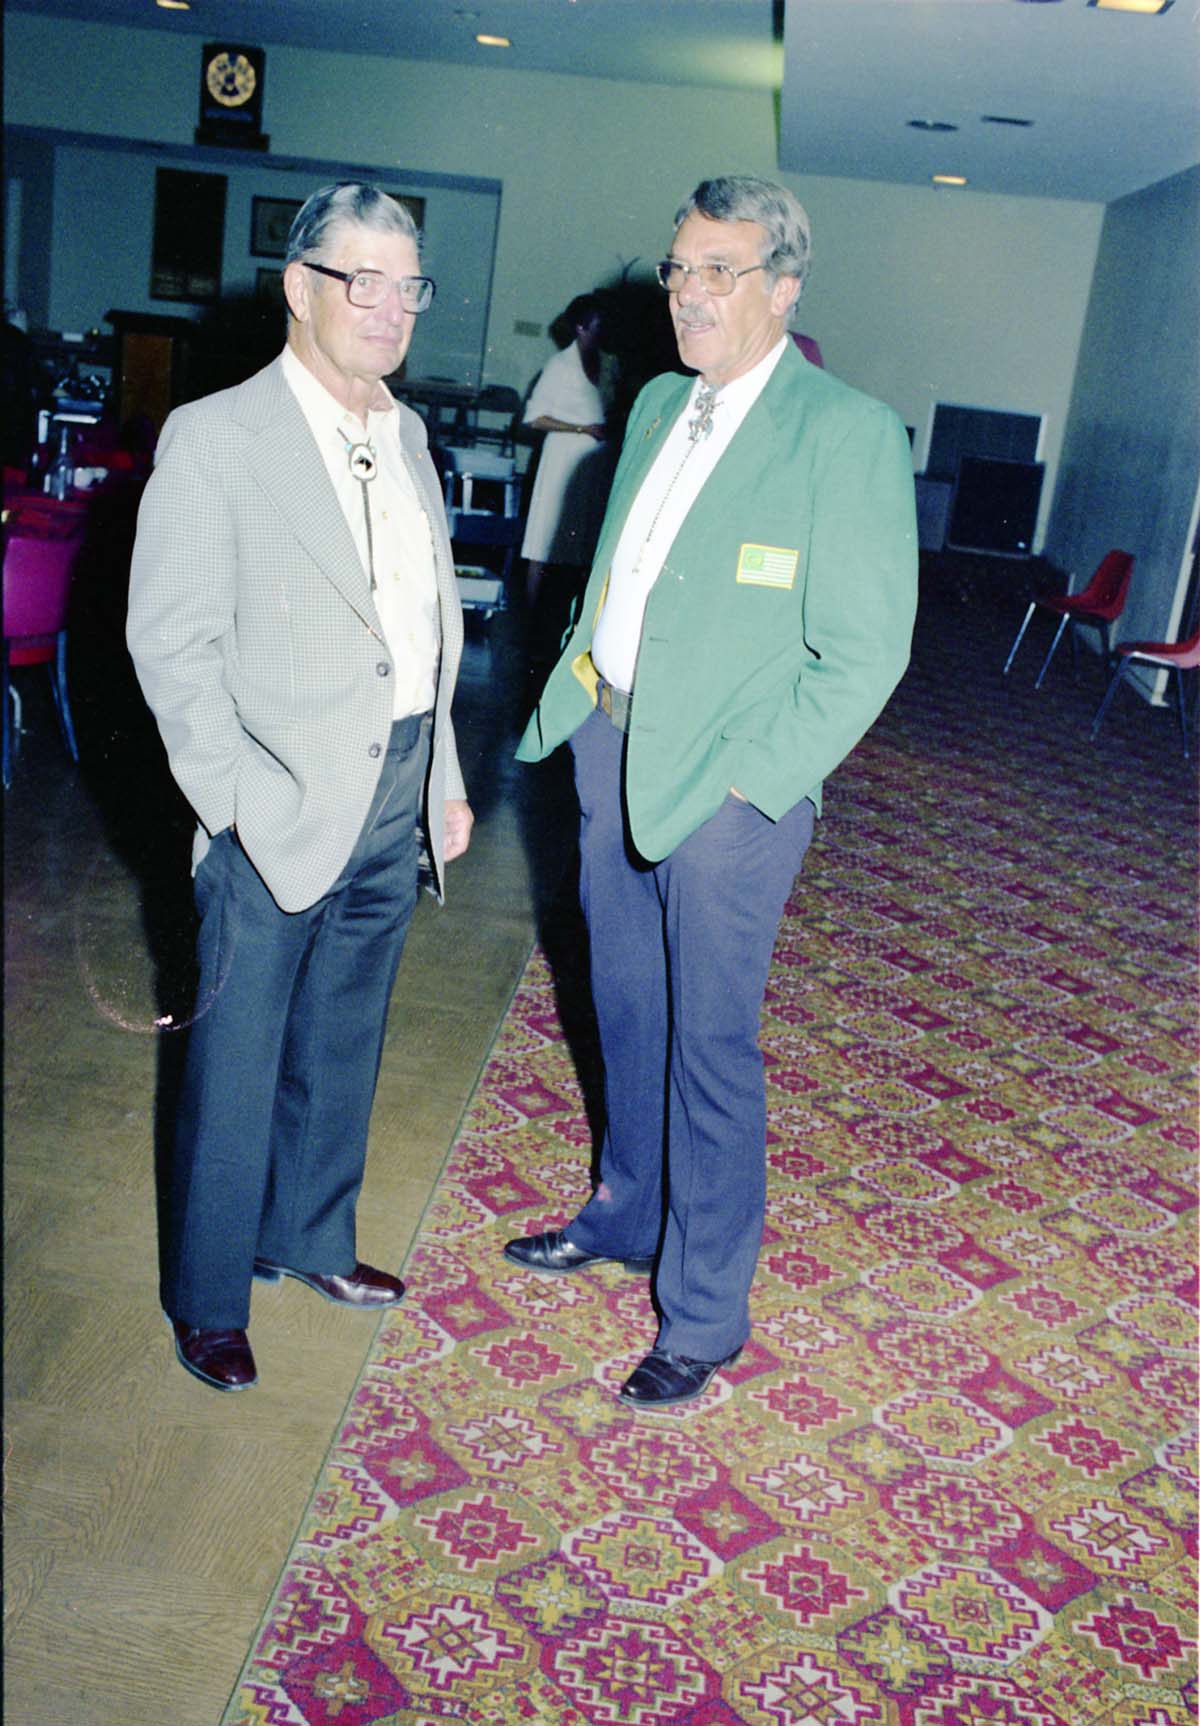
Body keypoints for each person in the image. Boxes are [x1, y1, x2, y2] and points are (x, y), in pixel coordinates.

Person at [505, 175, 917, 1408]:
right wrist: (586, 682)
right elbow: (626, 567)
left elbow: (866, 650)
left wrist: (753, 783)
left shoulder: (843, 432)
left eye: (716, 271)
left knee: (709, 1045)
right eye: (679, 269)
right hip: (610, 743)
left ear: (782, 290)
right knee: (623, 1007)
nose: (686, 293)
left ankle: (703, 1312)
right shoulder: (654, 407)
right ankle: (627, 1212)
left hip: (733, 790)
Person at [127, 182, 473, 1392]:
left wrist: (444, 777)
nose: (386, 308)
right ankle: (213, 1293)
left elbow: (424, 624)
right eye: (358, 279)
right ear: (299, 287)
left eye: (405, 284)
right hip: (271, 801)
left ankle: (314, 1234)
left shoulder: (412, 432)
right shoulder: (218, 437)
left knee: (344, 1036)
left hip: (394, 786)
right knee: (234, 1059)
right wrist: (229, 802)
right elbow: (168, 641)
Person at [520, 294, 614, 648]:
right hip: (561, 458)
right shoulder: (560, 366)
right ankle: (530, 623)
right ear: (580, 327)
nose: (601, 331)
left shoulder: (603, 364)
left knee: (578, 544)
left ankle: (566, 619)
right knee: (544, 538)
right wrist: (582, 429)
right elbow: (535, 417)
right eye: (596, 325)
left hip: (590, 465)